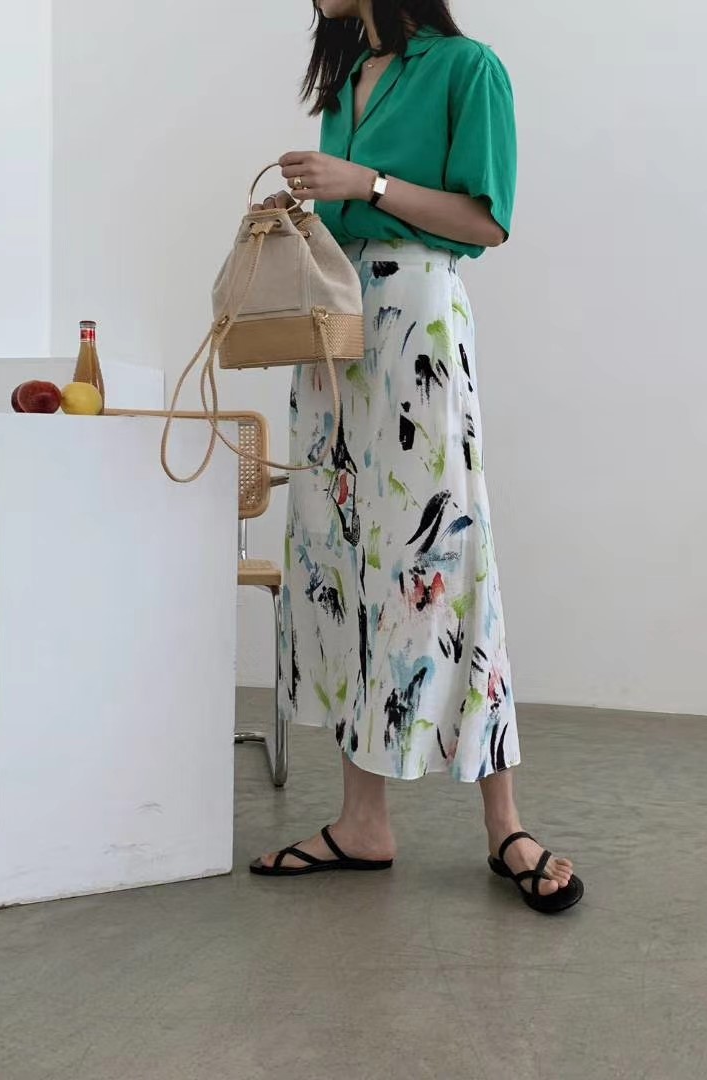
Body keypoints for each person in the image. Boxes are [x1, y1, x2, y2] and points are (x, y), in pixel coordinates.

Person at [250, 0, 583, 914]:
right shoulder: (345, 79)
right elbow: (353, 212)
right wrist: (311, 211)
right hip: (333, 333)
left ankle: (505, 824)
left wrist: (366, 182)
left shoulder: (468, 69)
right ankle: (362, 822)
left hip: (416, 327)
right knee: (342, 560)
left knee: (447, 553)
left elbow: (485, 221)